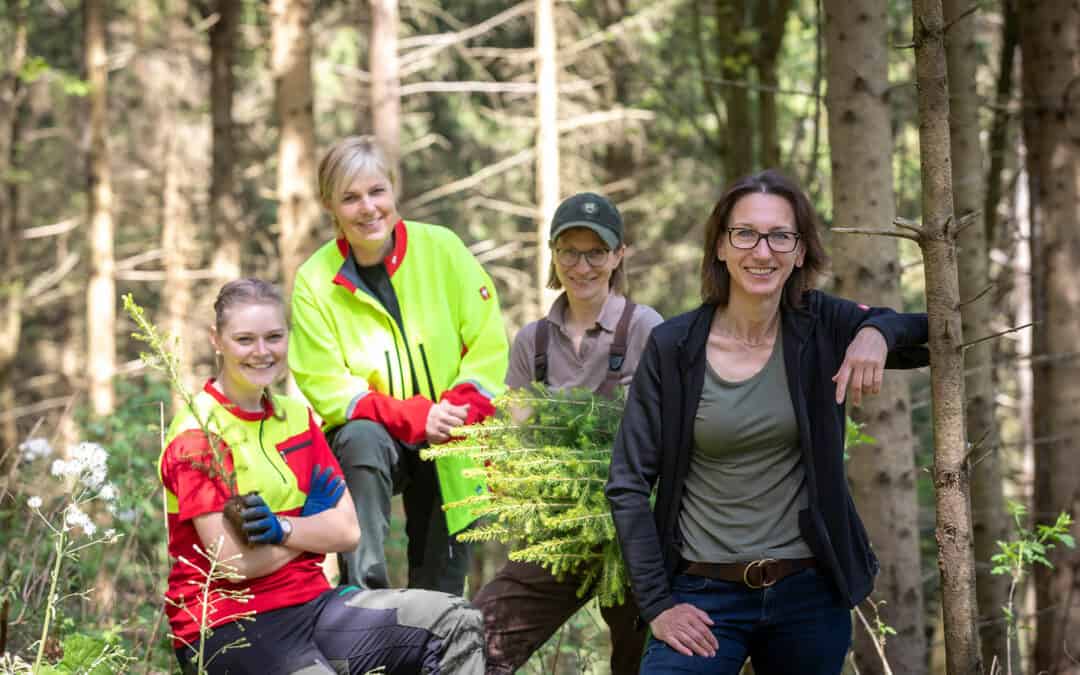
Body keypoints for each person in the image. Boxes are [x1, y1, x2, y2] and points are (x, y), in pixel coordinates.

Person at [605, 170, 930, 674]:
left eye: (780, 236)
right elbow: (627, 484)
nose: (763, 252)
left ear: (800, 251)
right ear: (720, 246)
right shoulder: (674, 347)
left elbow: (932, 329)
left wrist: (874, 332)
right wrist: (659, 606)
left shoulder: (820, 327)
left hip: (808, 596)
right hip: (704, 595)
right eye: (745, 234)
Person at [161, 278, 485, 675]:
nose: (262, 352)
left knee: (455, 622)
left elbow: (348, 532)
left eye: (274, 337)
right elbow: (229, 564)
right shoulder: (198, 434)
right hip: (226, 625)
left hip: (313, 606)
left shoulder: (295, 419)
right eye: (245, 339)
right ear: (217, 340)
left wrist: (279, 529)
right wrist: (312, 532)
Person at [289, 136, 509, 595]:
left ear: (393, 190)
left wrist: (457, 410)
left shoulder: (442, 249)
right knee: (360, 438)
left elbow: (487, 340)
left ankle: (433, 636)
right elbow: (325, 384)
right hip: (377, 434)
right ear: (331, 205)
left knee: (442, 590)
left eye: (376, 192)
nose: (368, 208)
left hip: (453, 429)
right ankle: (364, 606)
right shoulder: (314, 280)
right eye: (350, 197)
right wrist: (414, 416)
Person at [471, 193, 663, 675]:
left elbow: (670, 431)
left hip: (638, 533)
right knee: (479, 638)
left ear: (619, 255)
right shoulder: (532, 341)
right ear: (554, 255)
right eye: (570, 251)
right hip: (561, 532)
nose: (583, 265)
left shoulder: (647, 329)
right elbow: (514, 440)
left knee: (643, 659)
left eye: (596, 252)